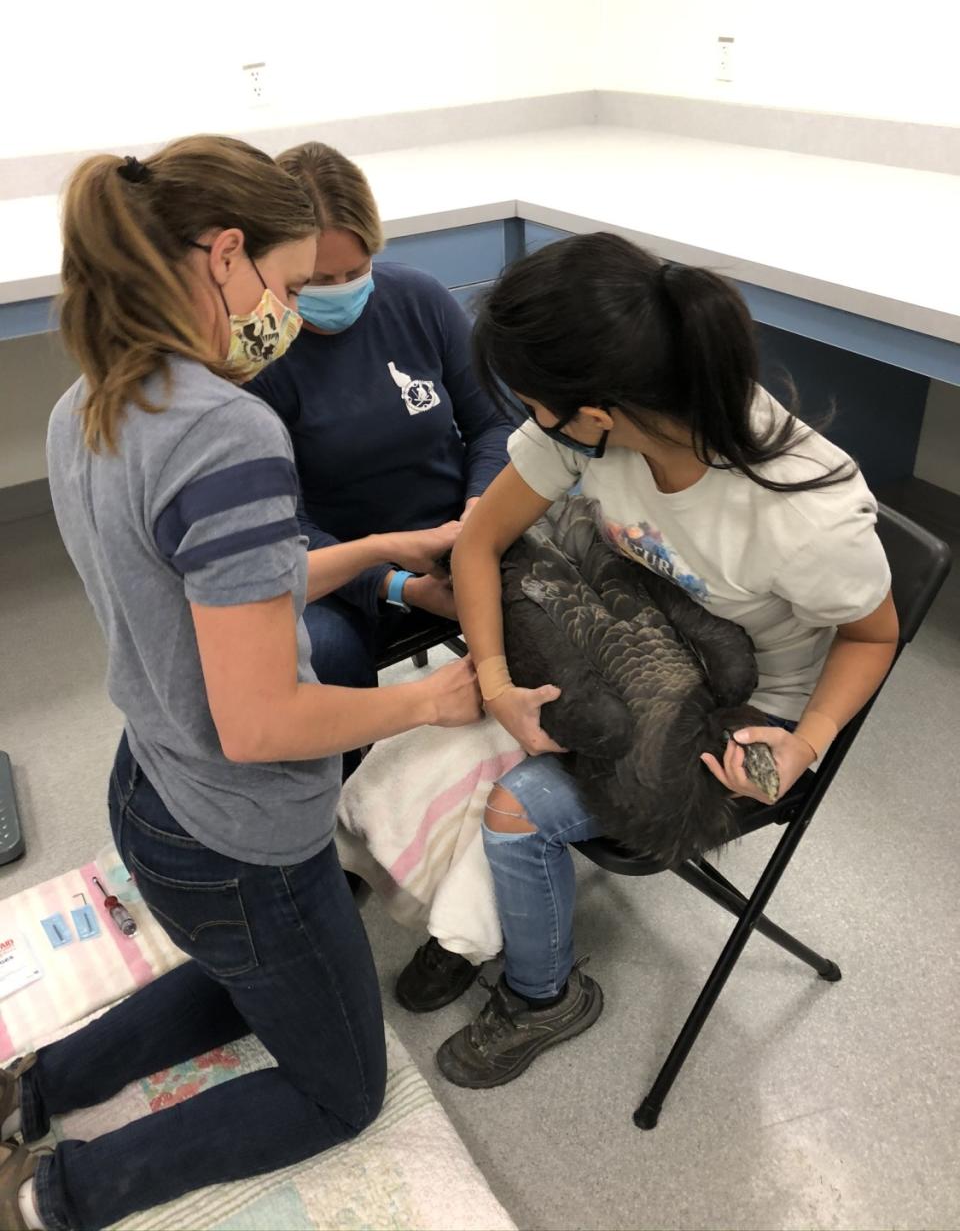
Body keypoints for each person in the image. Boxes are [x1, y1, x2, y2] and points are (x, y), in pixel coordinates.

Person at [0, 136, 481, 1231]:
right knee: (341, 1085)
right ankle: (52, 1195)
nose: (290, 309)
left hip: (152, 785)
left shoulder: (92, 401)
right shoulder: (228, 434)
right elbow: (264, 717)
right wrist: (430, 700)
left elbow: (213, 591)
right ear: (224, 255)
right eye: (286, 280)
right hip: (237, 833)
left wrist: (369, 550)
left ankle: (31, 1089)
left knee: (259, 970)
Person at [424, 231, 898, 1088]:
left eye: (535, 404)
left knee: (516, 809)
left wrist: (808, 741)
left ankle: (544, 995)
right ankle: (476, 923)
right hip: (649, 622)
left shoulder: (803, 516)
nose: (532, 421)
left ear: (597, 409)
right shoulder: (600, 426)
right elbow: (477, 541)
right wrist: (495, 684)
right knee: (489, 691)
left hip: (753, 700)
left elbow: (874, 635)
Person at [247, 142, 514, 720]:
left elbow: (492, 423)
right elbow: (282, 529)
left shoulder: (418, 300)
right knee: (323, 658)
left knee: (564, 606)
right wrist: (396, 585)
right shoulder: (259, 357)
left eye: (357, 269)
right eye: (319, 279)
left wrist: (478, 514)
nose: (343, 290)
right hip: (336, 567)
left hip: (458, 538)